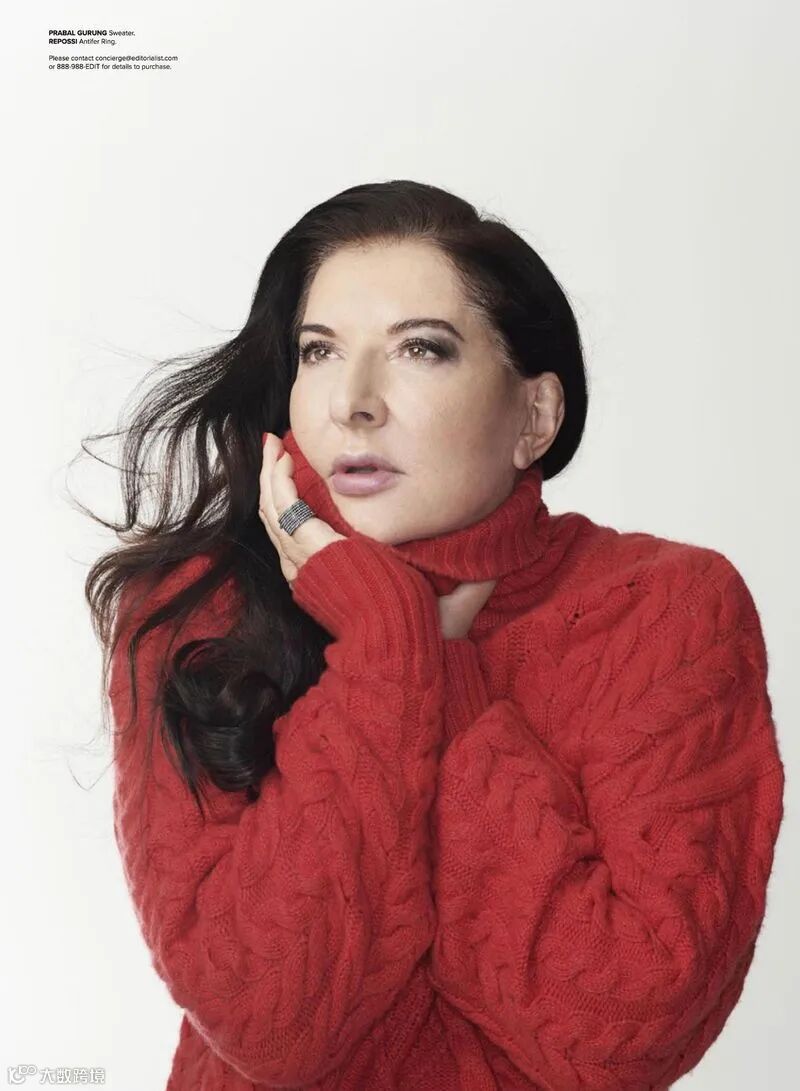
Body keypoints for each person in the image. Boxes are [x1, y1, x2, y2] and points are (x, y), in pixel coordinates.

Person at [90, 179, 785, 1090]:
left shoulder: (667, 610)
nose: (354, 401)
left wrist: (428, 665)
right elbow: (265, 1023)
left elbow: (628, 1030)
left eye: (421, 348)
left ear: (535, 417)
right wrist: (388, 649)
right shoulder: (193, 611)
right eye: (319, 351)